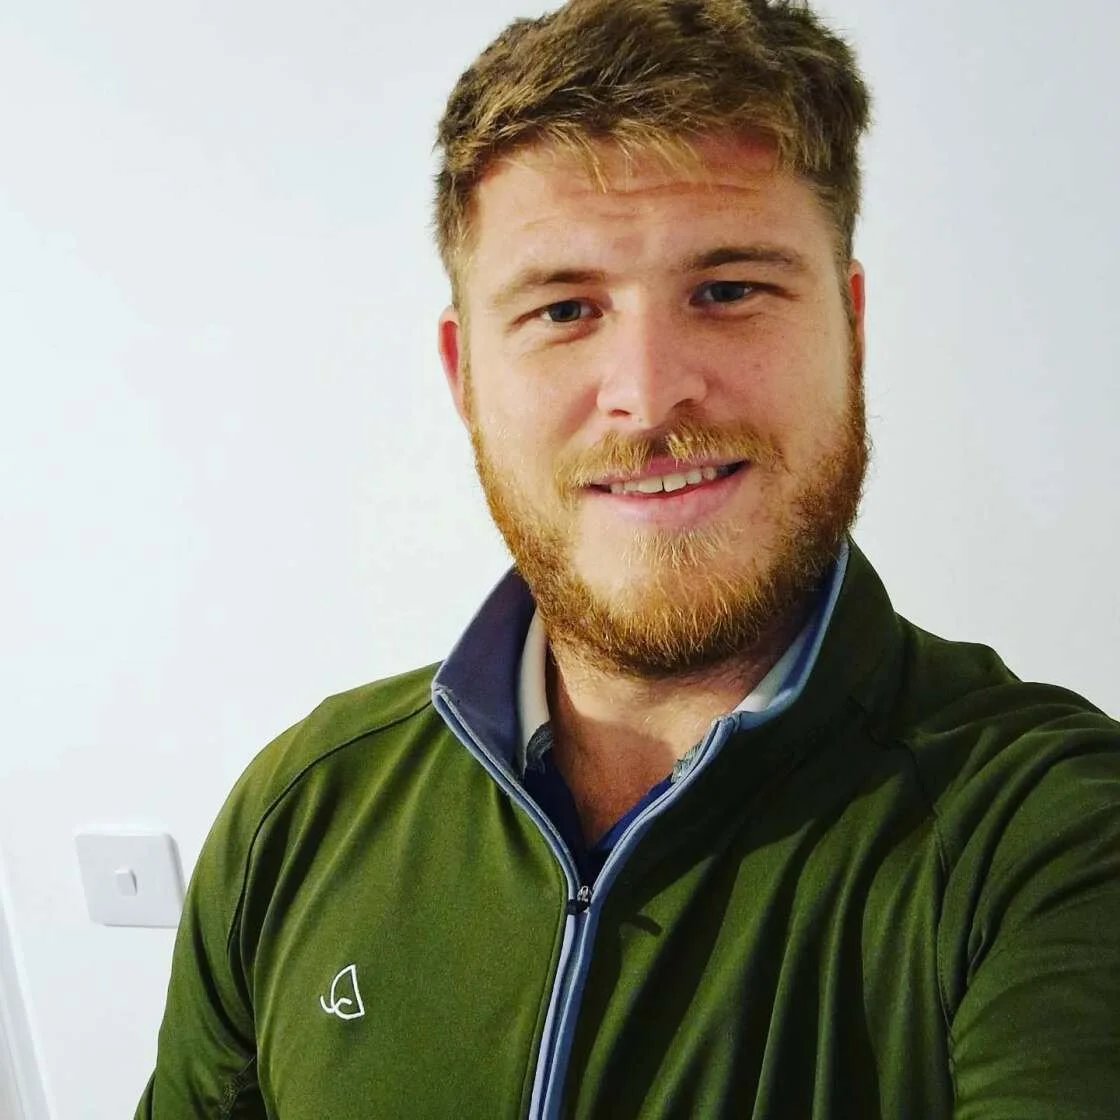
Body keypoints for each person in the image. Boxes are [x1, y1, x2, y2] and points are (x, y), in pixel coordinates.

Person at [137, 0, 1120, 1116]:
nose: (649, 393)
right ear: (464, 376)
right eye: (564, 308)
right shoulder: (298, 813)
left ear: (851, 327)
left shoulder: (1052, 836)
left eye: (730, 288)